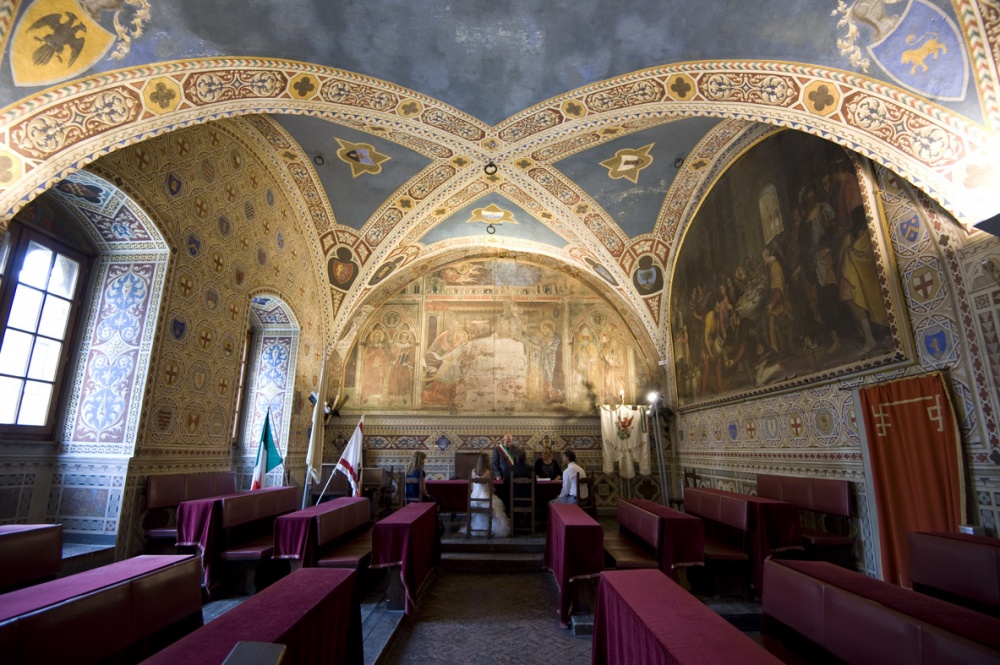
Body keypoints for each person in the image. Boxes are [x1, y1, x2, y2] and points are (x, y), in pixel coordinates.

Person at [469, 453, 511, 538]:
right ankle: (496, 530)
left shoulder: (473, 472)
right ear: (486, 462)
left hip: (473, 500)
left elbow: (472, 487)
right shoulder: (488, 472)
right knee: (498, 506)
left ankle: (479, 528)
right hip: (485, 499)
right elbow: (492, 488)